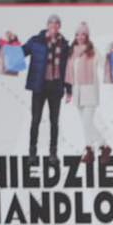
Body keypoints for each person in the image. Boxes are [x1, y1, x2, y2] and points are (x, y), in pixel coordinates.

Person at [20, 13, 72, 157]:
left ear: (59, 26)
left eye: (56, 23)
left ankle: (53, 152)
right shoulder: (36, 41)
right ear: (47, 25)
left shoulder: (64, 45)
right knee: (35, 119)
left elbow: (67, 69)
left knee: (54, 122)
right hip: (39, 87)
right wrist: (11, 42)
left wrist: (69, 90)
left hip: (56, 87)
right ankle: (32, 151)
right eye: (51, 23)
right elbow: (21, 52)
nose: (54, 25)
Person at [64, 22, 112, 164]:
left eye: (83, 34)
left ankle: (96, 148)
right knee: (86, 124)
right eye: (77, 34)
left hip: (90, 91)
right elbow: (69, 72)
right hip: (77, 92)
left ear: (87, 36)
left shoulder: (93, 51)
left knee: (87, 123)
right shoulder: (72, 52)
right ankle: (99, 148)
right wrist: (68, 92)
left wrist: (110, 52)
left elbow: (104, 64)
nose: (80, 37)